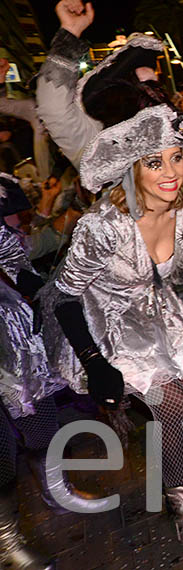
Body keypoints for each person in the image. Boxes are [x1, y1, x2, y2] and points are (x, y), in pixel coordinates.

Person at [42, 105, 183, 551]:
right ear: (132, 170)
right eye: (154, 162)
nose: (171, 172)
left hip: (158, 308)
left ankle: (173, 453)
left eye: (177, 157)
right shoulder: (103, 225)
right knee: (172, 400)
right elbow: (64, 297)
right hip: (105, 318)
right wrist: (94, 362)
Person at [36, 0, 183, 428]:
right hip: (123, 284)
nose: (152, 89)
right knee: (164, 393)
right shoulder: (100, 139)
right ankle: (165, 454)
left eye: (156, 80)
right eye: (142, 79)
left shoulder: (176, 130)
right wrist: (67, 36)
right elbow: (55, 109)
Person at [1, 177, 106, 570]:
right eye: (13, 215)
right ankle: (7, 543)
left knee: (41, 419)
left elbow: (30, 272)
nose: (18, 221)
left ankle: (56, 489)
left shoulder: (10, 238)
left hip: (17, 348)